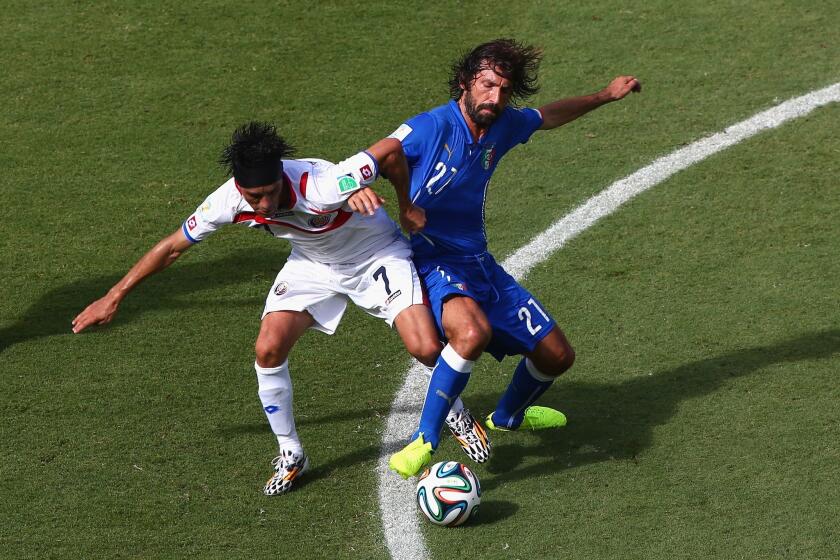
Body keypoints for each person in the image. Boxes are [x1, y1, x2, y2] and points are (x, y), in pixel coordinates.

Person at [72, 121, 489, 495]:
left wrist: (403, 204)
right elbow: (172, 248)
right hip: (312, 264)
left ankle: (453, 410)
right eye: (254, 196)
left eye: (270, 193)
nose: (265, 205)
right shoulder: (228, 201)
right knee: (267, 349)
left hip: (375, 254)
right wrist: (115, 296)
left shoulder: (323, 184)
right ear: (238, 186)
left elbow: (391, 152)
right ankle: (292, 453)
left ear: (282, 177)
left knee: (423, 346)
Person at [387, 39, 641, 478]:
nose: (495, 98)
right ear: (465, 82)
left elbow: (549, 116)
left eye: (504, 90)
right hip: (433, 262)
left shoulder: (502, 124)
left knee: (557, 356)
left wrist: (604, 95)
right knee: (470, 333)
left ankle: (506, 417)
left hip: (480, 264)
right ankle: (425, 438)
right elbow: (381, 155)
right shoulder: (431, 127)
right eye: (487, 86)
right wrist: (384, 200)